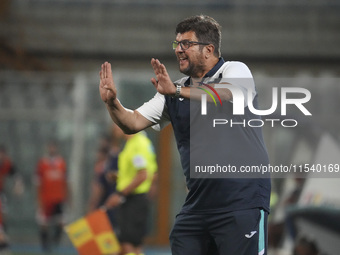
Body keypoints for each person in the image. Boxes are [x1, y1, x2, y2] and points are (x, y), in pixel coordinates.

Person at [99, 15, 271, 255]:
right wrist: (112, 103)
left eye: (186, 44)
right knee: (181, 237)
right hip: (198, 206)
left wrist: (177, 90)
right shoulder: (173, 90)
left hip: (242, 202)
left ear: (209, 49)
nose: (179, 49)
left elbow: (226, 94)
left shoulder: (234, 70)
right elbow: (132, 122)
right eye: (177, 44)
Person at [103, 129, 158, 255]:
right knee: (134, 245)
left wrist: (119, 194)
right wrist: (119, 176)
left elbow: (142, 174)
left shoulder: (137, 144)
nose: (113, 127)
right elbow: (149, 172)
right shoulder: (137, 143)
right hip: (136, 199)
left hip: (134, 200)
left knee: (127, 243)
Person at [34, 140, 69, 252]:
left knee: (61, 223)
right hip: (46, 199)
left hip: (58, 198)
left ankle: (55, 243)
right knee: (43, 223)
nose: (52, 150)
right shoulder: (42, 164)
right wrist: (38, 200)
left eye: (54, 147)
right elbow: (37, 183)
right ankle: (45, 247)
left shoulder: (62, 163)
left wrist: (68, 197)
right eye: (50, 147)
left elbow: (66, 182)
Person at [0, 145, 24, 250]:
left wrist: (18, 185)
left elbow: (16, 174)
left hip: (1, 193)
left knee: (3, 214)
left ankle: (3, 238)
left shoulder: (7, 163)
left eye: (2, 154)